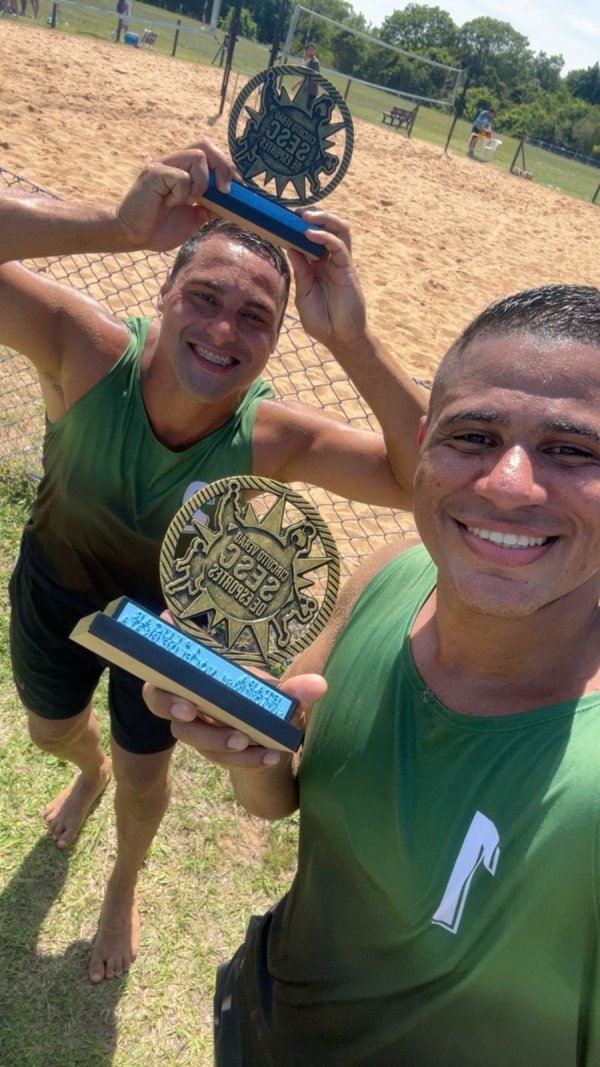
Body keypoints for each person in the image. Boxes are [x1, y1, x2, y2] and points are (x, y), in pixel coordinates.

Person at [0, 138, 426, 984]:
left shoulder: (272, 434)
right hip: (56, 582)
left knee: (145, 772)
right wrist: (118, 227)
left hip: (165, 629)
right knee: (52, 733)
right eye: (204, 295)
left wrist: (352, 339)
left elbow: (423, 481)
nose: (224, 330)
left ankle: (123, 882)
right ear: (162, 293)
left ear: (276, 337)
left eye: (256, 316)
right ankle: (81, 772)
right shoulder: (83, 348)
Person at [146, 282, 600, 1065]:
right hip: (271, 1014)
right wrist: (243, 746)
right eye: (474, 435)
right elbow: (280, 794)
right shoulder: (386, 577)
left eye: (572, 449)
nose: (508, 482)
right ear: (422, 445)